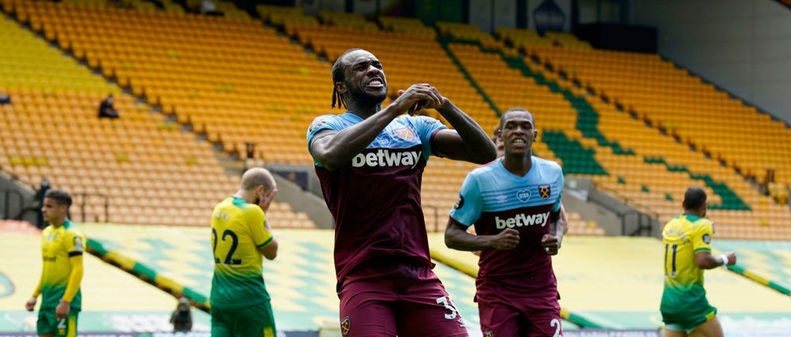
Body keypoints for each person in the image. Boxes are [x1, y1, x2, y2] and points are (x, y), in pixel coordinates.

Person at [306, 48, 497, 337]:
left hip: (418, 273)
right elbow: (330, 154)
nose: (372, 70)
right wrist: (394, 108)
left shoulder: (415, 127)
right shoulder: (327, 126)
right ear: (341, 86)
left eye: (377, 64)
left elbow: (484, 152)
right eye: (361, 67)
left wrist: (445, 106)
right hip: (363, 274)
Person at [445, 108, 565, 337]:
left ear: (535, 135)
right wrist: (493, 241)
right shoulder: (479, 180)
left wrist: (556, 239)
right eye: (511, 126)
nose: (518, 131)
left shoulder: (552, 173)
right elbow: (451, 235)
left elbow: (558, 218)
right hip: (498, 292)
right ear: (500, 134)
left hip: (541, 289)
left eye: (525, 126)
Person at [209, 167, 279, 337]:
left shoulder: (219, 208)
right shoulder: (253, 212)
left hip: (219, 299)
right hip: (250, 301)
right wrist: (264, 214)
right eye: (269, 196)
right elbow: (272, 251)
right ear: (260, 191)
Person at [660, 187, 737, 337]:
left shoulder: (670, 225)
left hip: (669, 302)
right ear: (704, 206)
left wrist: (706, 227)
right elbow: (703, 261)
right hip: (691, 302)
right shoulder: (702, 225)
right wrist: (726, 259)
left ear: (683, 204)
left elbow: (688, 234)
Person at [25, 189, 85, 337]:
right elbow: (48, 268)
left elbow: (78, 269)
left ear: (63, 208)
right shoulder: (46, 233)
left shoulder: (72, 235)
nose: (43, 209)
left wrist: (66, 301)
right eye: (43, 205)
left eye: (49, 206)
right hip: (47, 301)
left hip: (63, 301)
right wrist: (35, 295)